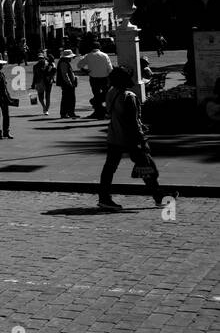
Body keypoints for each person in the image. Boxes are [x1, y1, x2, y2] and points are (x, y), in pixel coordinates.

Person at [97, 66, 174, 211]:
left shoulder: (111, 93)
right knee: (146, 167)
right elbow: (133, 122)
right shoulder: (129, 96)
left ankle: (104, 198)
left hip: (114, 135)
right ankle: (158, 197)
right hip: (130, 139)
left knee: (109, 169)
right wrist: (142, 139)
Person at [78, 43, 113, 118]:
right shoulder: (105, 55)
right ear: (99, 47)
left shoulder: (88, 55)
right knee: (106, 95)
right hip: (104, 78)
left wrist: (85, 70)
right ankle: (107, 111)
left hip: (94, 78)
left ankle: (98, 112)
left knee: (96, 95)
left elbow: (79, 65)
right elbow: (110, 69)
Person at [56, 49, 79, 118]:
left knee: (67, 98)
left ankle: (66, 113)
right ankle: (68, 113)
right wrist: (70, 83)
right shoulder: (63, 63)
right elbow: (65, 74)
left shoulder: (64, 62)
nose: (71, 58)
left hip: (67, 83)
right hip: (67, 84)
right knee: (69, 99)